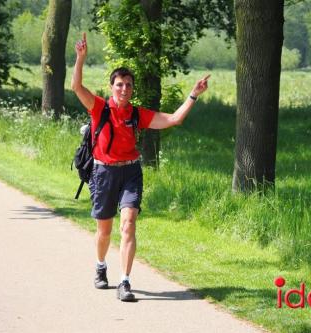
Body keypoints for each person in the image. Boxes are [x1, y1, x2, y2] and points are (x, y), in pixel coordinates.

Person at [71, 32, 210, 302]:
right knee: (104, 231)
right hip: (103, 173)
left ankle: (125, 281)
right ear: (112, 87)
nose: (124, 89)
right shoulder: (100, 108)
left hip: (131, 172)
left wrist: (193, 94)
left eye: (129, 85)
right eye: (120, 84)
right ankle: (100, 266)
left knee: (129, 224)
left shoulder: (137, 114)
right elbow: (77, 87)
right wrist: (80, 58)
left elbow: (173, 119)